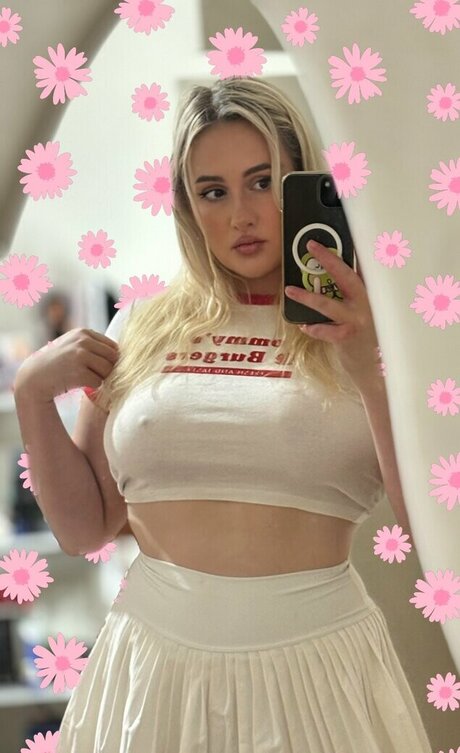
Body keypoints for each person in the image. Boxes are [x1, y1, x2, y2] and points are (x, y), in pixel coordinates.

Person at [13, 77, 432, 752]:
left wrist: (368, 363)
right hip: (150, 671)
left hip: (316, 672)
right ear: (186, 205)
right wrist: (33, 396)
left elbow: (434, 533)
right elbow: (85, 527)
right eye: (213, 192)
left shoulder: (373, 327)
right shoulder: (141, 324)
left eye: (263, 182)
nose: (241, 214)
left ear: (302, 181)